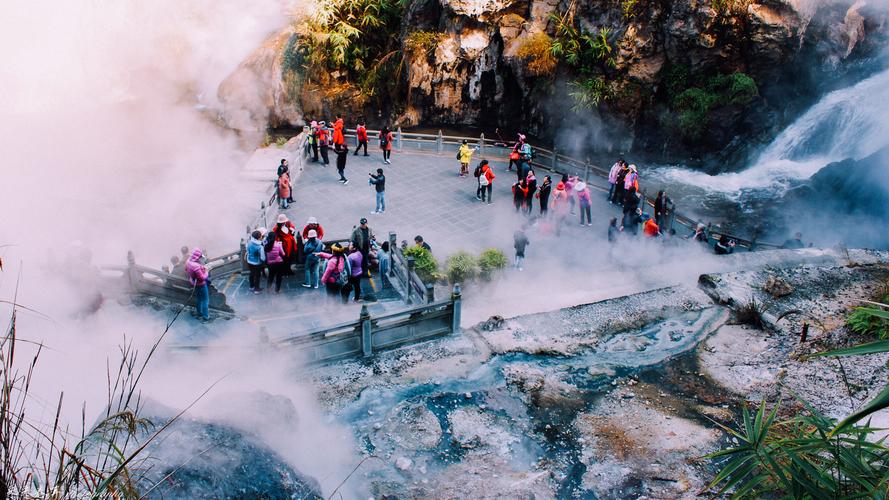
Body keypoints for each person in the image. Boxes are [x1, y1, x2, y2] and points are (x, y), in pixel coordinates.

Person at [185, 248, 210, 321]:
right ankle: (205, 316)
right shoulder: (197, 267)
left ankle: (199, 312)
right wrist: (207, 271)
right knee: (205, 300)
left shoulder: (188, 262)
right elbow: (202, 278)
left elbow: (186, 269)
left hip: (193, 283)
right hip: (201, 284)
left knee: (199, 298)